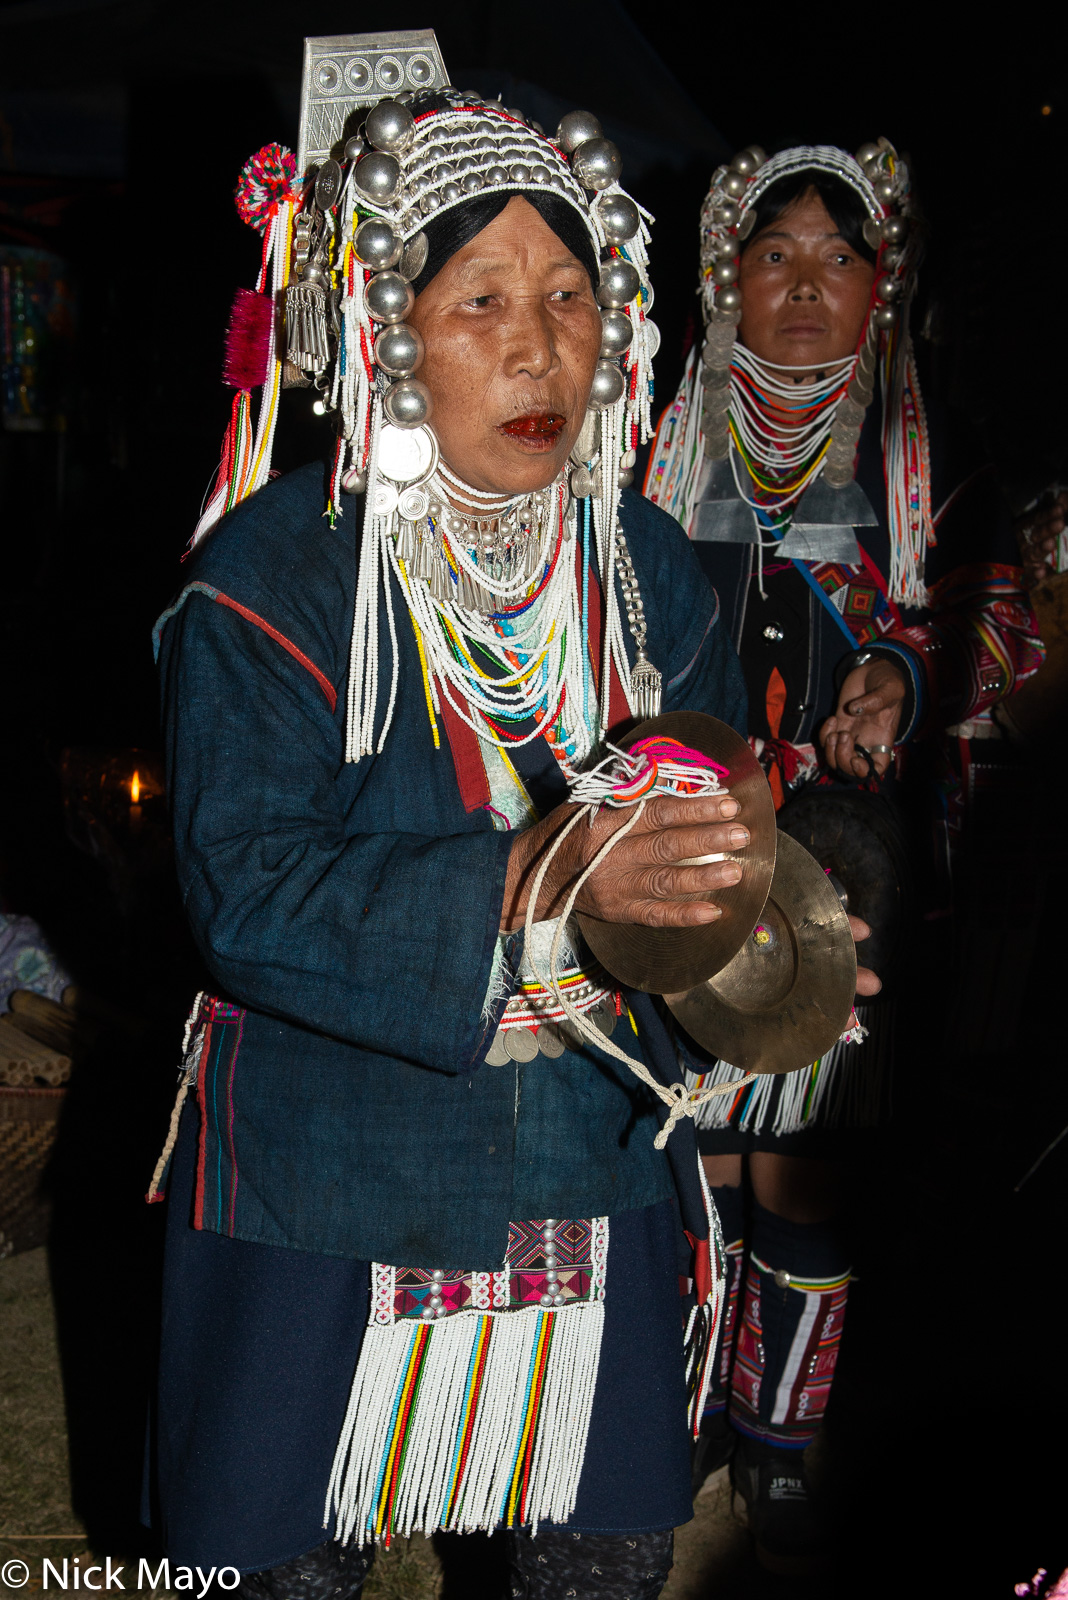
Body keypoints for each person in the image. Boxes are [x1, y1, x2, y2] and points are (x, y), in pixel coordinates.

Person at [146, 85, 878, 1600]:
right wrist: (549, 876)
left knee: (602, 1562)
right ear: (384, 327)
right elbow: (246, 893)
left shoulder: (642, 568)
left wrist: (756, 935)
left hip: (584, 1167)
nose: (541, 347)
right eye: (479, 300)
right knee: (277, 1568)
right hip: (323, 1163)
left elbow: (687, 838)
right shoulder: (274, 577)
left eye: (568, 296)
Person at [646, 140, 1043, 1571]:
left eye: (838, 259)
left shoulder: (927, 462)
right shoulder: (650, 434)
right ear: (722, 279)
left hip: (844, 876)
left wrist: (895, 671)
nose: (805, 288)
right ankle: (674, 1417)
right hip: (677, 853)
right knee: (689, 1160)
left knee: (805, 1168)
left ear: (885, 284)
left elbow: (985, 623)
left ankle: (781, 1442)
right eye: (774, 258)